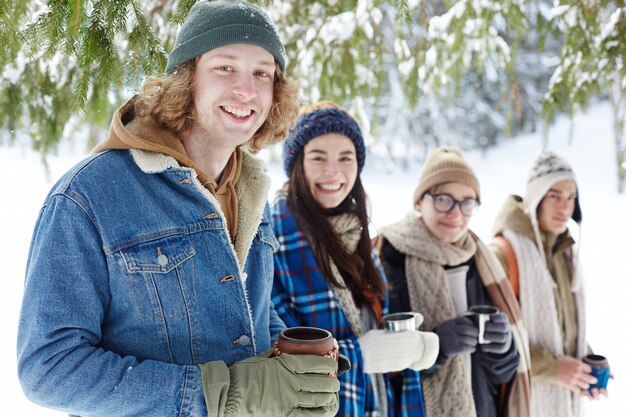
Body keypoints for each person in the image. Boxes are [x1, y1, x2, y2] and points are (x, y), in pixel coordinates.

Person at [17, 2, 343, 416]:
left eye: (262, 73)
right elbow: (49, 368)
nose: (246, 90)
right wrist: (217, 394)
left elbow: (248, 308)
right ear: (186, 80)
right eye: (225, 68)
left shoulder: (250, 188)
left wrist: (289, 370)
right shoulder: (88, 195)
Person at [271, 101, 439, 417]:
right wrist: (361, 355)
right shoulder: (272, 242)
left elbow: (369, 327)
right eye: (318, 158)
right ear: (298, 165)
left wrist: (407, 348)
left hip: (374, 405)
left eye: (345, 158)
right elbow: (275, 355)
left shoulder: (355, 237)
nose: (333, 171)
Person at [376, 147, 532, 417]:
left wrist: (503, 349)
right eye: (443, 199)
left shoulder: (481, 262)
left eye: (467, 202)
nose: (456, 213)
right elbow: (380, 369)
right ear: (419, 201)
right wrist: (435, 346)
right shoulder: (387, 259)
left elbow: (504, 375)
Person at [491, 149, 606, 417]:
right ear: (536, 198)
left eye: (571, 197)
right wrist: (552, 368)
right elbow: (490, 343)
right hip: (521, 403)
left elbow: (561, 327)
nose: (565, 207)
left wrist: (584, 364)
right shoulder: (504, 253)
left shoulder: (564, 253)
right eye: (554, 196)